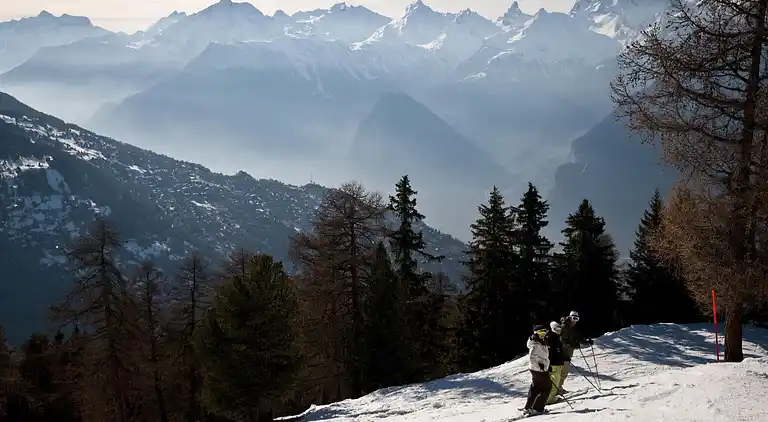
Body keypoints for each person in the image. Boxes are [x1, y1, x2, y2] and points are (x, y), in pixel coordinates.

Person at [559, 310, 593, 393]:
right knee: (562, 372)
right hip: (562, 353)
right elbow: (563, 342)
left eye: (577, 319)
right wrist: (576, 345)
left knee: (563, 372)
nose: (575, 321)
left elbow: (578, 336)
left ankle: (558, 388)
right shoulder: (565, 327)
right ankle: (557, 389)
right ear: (570, 317)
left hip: (568, 353)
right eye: (573, 318)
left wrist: (585, 341)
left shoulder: (573, 327)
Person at [523, 325, 552, 416]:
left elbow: (542, 357)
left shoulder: (540, 341)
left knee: (535, 387)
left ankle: (528, 408)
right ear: (536, 333)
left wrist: (547, 365)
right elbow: (532, 358)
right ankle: (537, 408)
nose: (543, 334)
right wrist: (540, 367)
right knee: (547, 388)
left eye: (544, 331)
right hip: (538, 370)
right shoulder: (536, 344)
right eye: (540, 332)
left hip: (537, 369)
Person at [545, 321, 566, 404]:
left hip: (557, 363)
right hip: (554, 364)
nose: (559, 330)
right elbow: (550, 353)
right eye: (557, 328)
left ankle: (548, 397)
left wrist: (564, 357)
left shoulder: (555, 337)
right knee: (555, 383)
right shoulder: (550, 338)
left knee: (555, 382)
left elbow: (558, 351)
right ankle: (549, 399)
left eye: (559, 328)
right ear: (553, 329)